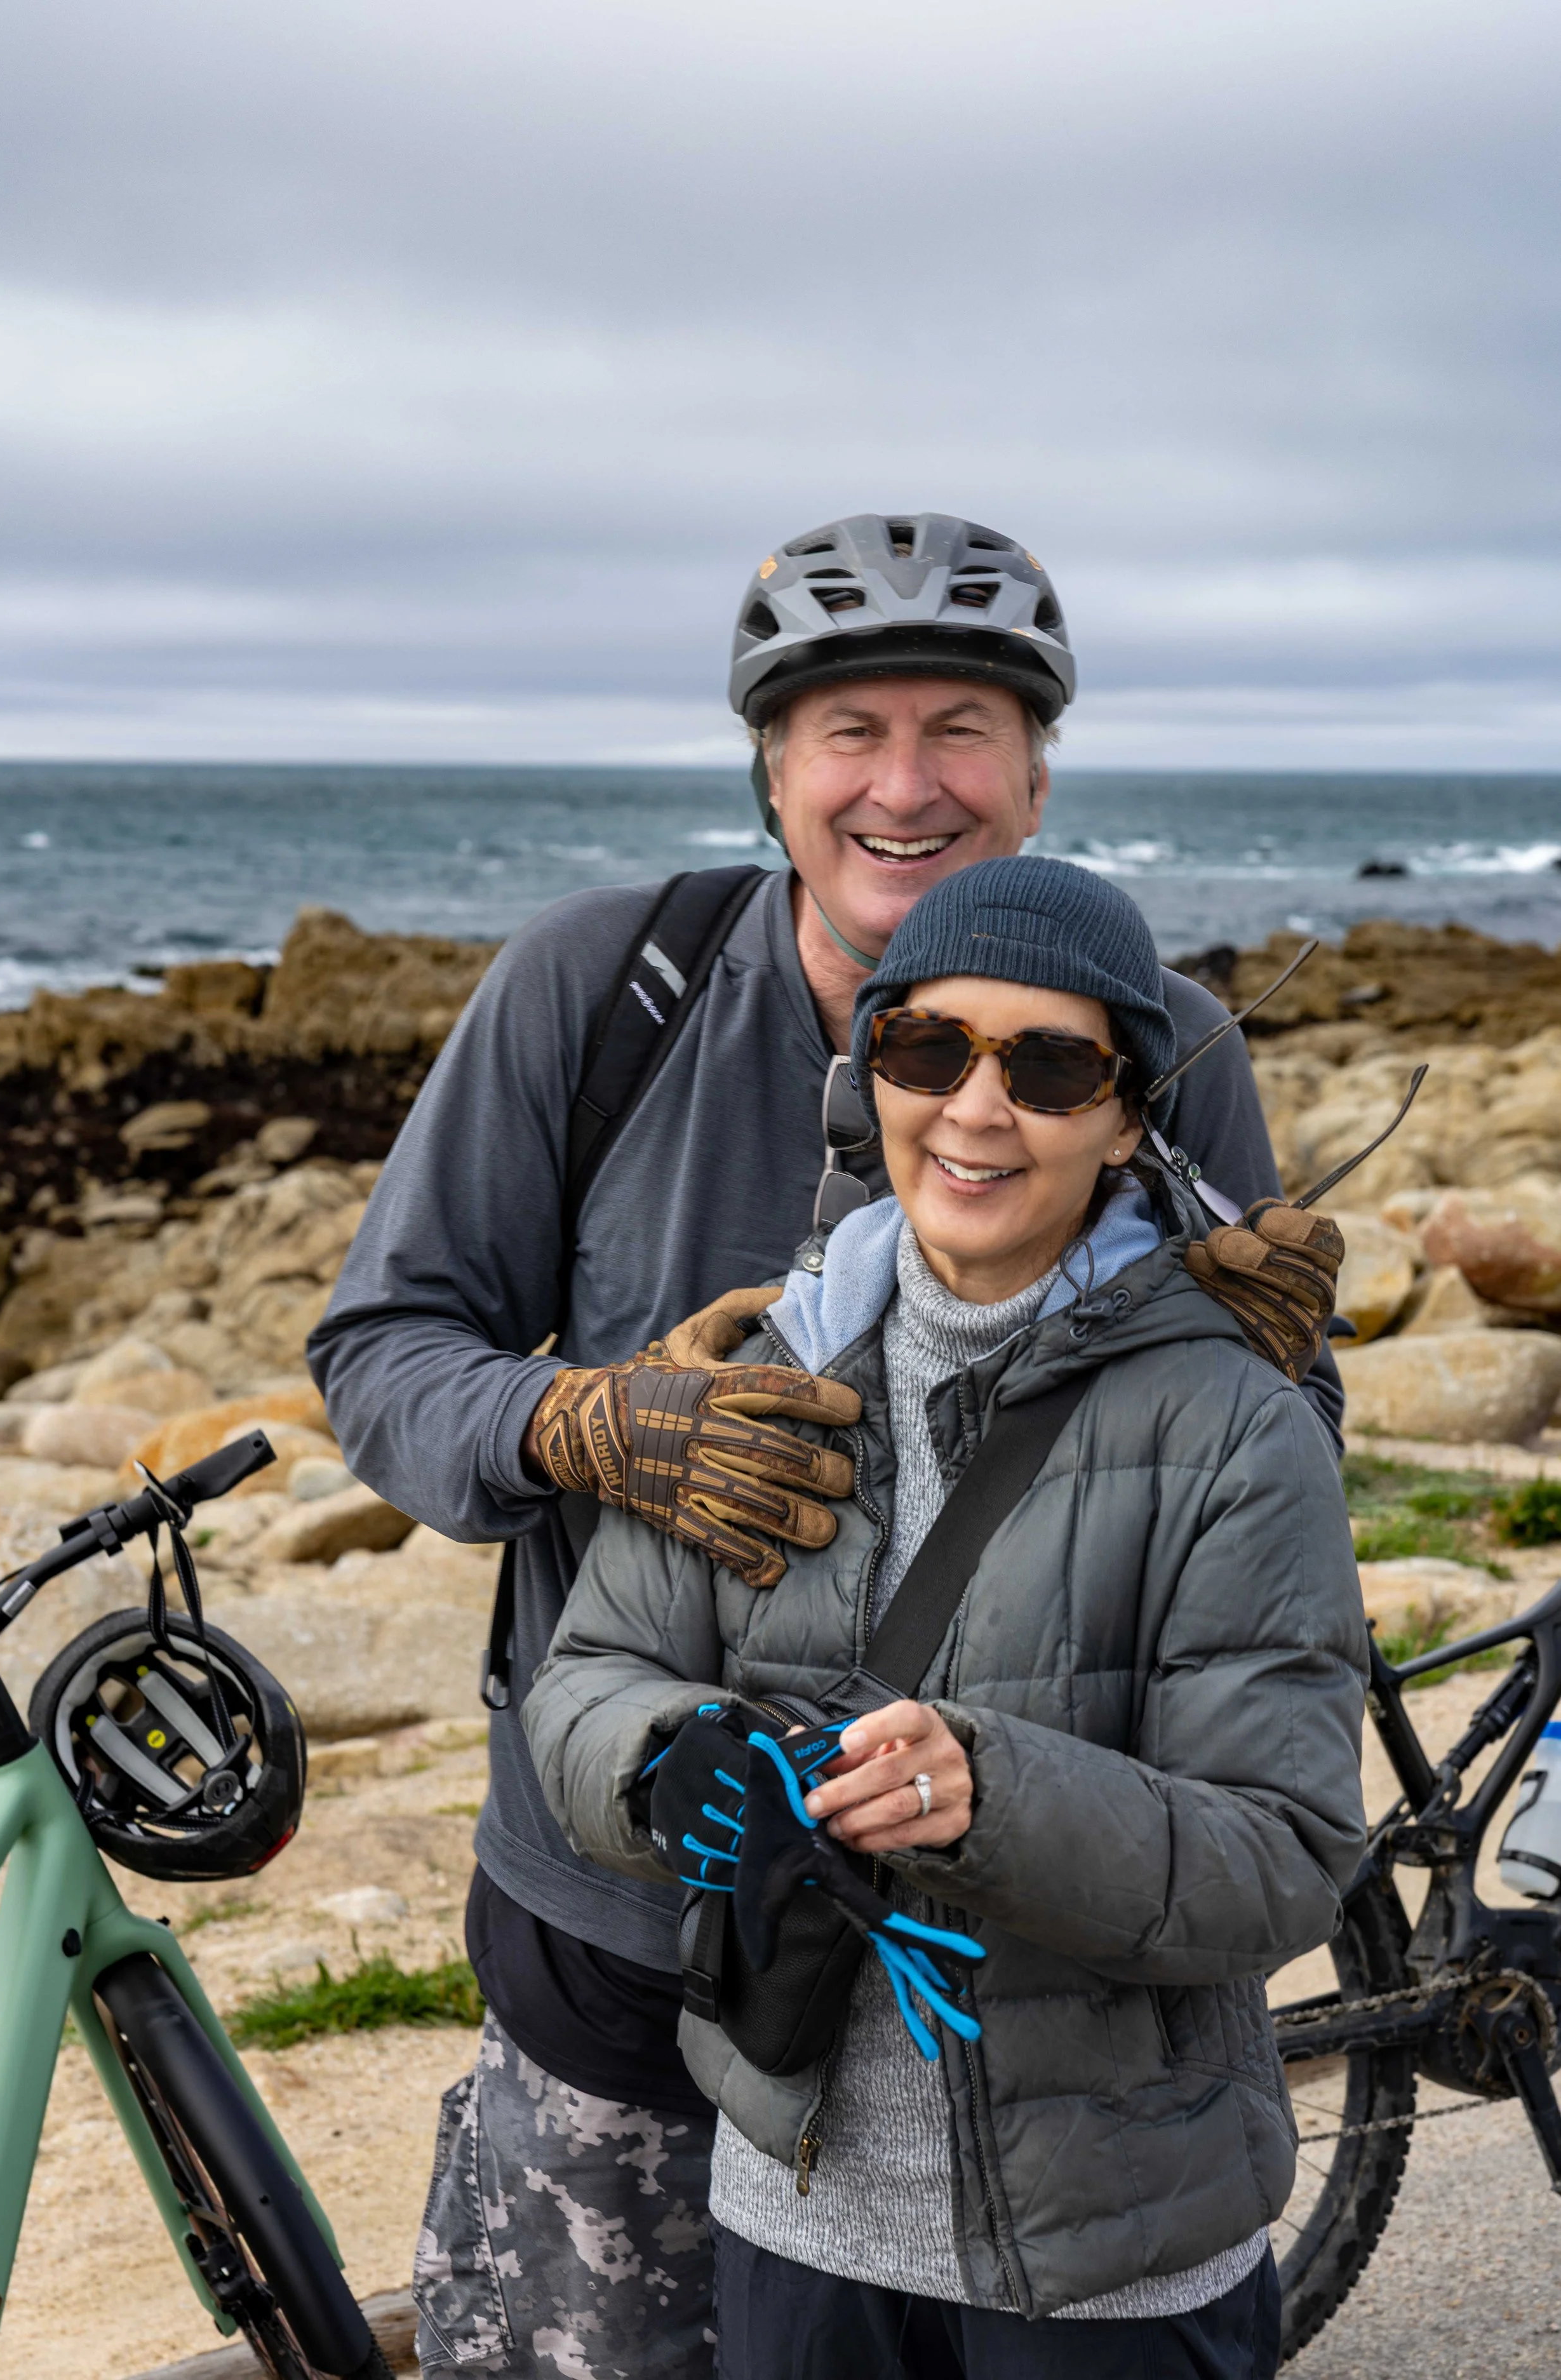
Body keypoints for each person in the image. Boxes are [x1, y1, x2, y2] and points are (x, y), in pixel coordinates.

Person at [307, 513, 1344, 2380]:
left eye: (960, 727)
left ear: (1033, 772)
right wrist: (574, 1416)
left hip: (1022, 1962)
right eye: (846, 729)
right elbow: (379, 1349)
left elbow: (1253, 1473)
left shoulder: (1162, 1037)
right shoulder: (591, 990)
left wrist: (1274, 1360)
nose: (904, 782)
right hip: (627, 1904)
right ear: (772, 768)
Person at [523, 855, 1369, 2380]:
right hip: (793, 2219)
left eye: (1047, 1066)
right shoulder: (759, 1372)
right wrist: (668, 1757)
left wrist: (991, 1789)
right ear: (869, 1078)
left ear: (1126, 1117)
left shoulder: (1238, 1426)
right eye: (928, 1049)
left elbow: (1285, 1859)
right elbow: (588, 1678)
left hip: (1109, 2263)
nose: (974, 1110)